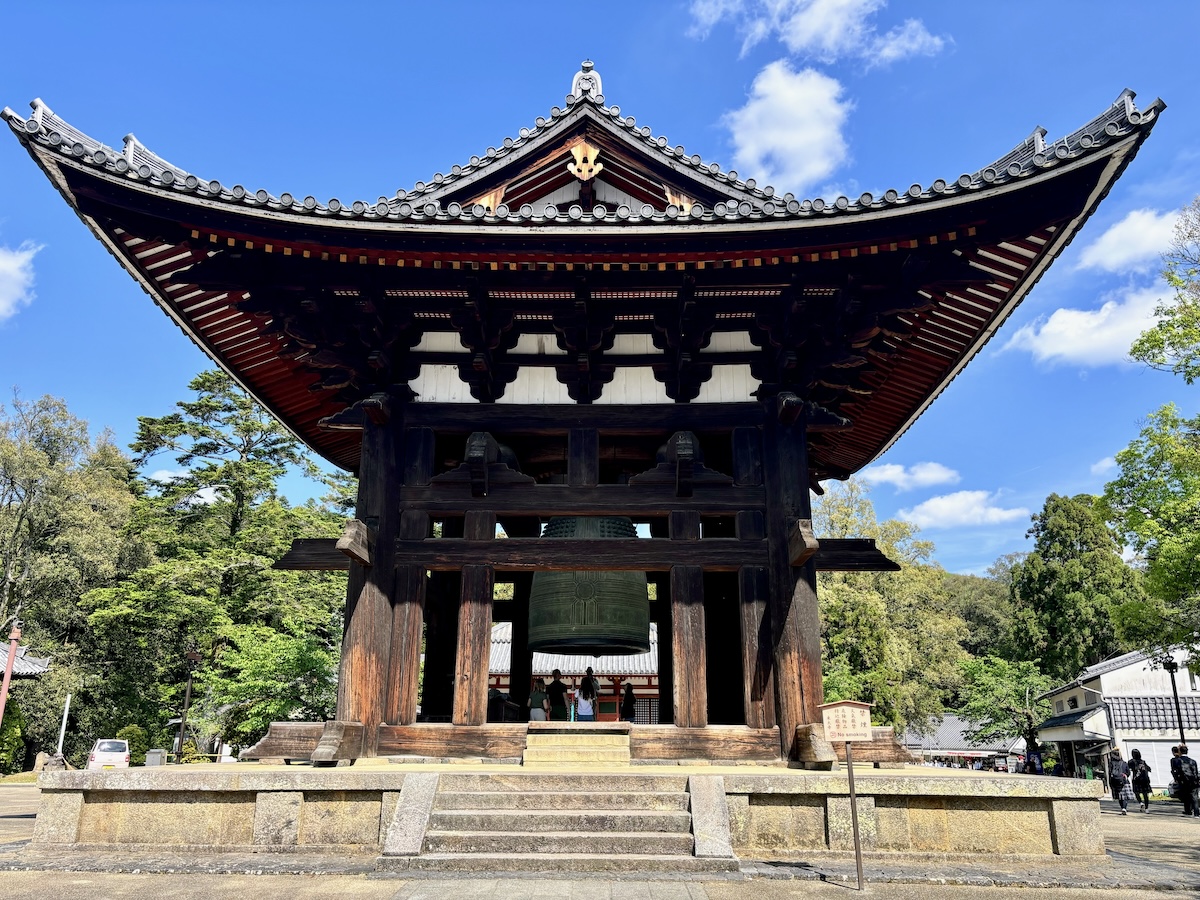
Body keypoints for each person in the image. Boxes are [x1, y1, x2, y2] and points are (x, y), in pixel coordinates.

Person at [1171, 744, 1199, 817]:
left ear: (1180, 751)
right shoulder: (1193, 761)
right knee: (1194, 797)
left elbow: (1175, 771)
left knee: (1185, 796)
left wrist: (1176, 779)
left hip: (1183, 781)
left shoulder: (1177, 761)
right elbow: (1195, 772)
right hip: (1194, 781)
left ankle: (1188, 811)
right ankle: (1196, 813)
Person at [1108, 749, 1131, 815]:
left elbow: (1109, 772)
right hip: (1124, 780)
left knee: (1120, 795)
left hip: (1115, 780)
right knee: (1125, 796)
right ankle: (1124, 808)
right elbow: (1128, 773)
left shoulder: (1111, 763)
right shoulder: (1124, 763)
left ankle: (1122, 808)